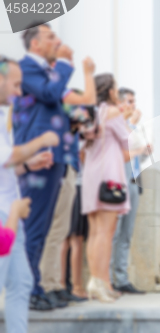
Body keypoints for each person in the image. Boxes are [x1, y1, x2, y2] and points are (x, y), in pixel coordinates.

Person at [12, 23, 74, 310]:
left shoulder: (45, 72)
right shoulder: (26, 67)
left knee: (44, 227)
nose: (57, 41)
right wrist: (64, 64)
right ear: (35, 43)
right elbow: (49, 96)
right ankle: (30, 288)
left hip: (53, 159)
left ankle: (35, 284)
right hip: (37, 158)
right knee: (35, 227)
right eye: (51, 37)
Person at [0, 56, 59, 333]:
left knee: (21, 282)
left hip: (13, 211)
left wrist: (28, 165)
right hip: (5, 215)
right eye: (14, 84)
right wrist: (42, 141)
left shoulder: (3, 116)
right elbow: (9, 155)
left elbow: (6, 164)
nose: (18, 91)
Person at [39, 57, 96, 306]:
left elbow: (84, 115)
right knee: (54, 232)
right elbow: (87, 102)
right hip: (55, 167)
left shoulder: (62, 106)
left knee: (60, 231)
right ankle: (47, 285)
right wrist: (87, 73)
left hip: (68, 166)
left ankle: (55, 284)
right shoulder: (50, 98)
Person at [81, 73, 132, 302]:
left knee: (94, 233)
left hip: (91, 176)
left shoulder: (89, 114)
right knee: (105, 233)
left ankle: (97, 281)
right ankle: (99, 283)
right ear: (110, 91)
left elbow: (81, 149)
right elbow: (129, 143)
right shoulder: (113, 113)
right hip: (110, 178)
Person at [110, 87, 145, 293]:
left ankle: (121, 279)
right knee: (112, 234)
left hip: (133, 183)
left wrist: (144, 152)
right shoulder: (116, 126)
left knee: (126, 234)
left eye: (134, 101)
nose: (134, 105)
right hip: (116, 185)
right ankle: (105, 280)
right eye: (130, 101)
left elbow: (134, 155)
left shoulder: (132, 127)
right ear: (121, 103)